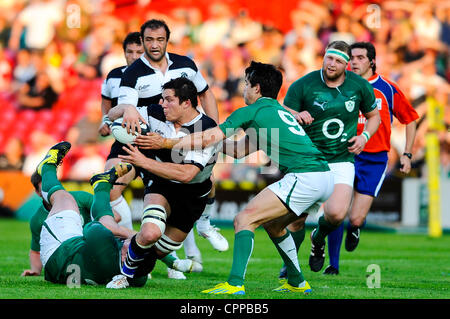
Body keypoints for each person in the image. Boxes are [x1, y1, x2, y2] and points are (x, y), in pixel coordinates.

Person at [139, 62, 334, 295]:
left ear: (257, 88)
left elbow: (209, 137)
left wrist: (167, 143)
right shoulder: (277, 112)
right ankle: (297, 281)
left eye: (246, 84)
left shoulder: (251, 111)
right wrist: (210, 147)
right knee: (274, 226)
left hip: (305, 176)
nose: (243, 90)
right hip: (324, 177)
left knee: (244, 219)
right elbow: (238, 150)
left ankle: (235, 284)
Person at [110, 20, 228, 258]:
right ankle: (132, 239)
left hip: (188, 133)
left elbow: (206, 94)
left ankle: (203, 225)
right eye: (149, 40)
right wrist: (127, 109)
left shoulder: (186, 64)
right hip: (146, 137)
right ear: (142, 40)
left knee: (205, 178)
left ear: (167, 40)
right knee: (116, 186)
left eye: (160, 39)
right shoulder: (132, 74)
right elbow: (116, 112)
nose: (154, 45)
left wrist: (213, 130)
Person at [280, 40, 381, 275]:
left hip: (341, 159)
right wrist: (296, 113)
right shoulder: (303, 84)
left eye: (338, 61)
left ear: (347, 65)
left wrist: (364, 136)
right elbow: (284, 112)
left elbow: (373, 116)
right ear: (323, 57)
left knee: (335, 214)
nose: (331, 64)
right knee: (296, 219)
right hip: (308, 159)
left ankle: (318, 239)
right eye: (329, 58)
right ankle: (290, 264)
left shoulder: (359, 86)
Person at [105, 77, 216, 289]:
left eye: (168, 100)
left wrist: (144, 162)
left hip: (192, 195)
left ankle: (128, 245)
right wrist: (128, 108)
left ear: (186, 103)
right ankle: (123, 276)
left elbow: (187, 174)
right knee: (150, 233)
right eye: (162, 99)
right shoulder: (155, 112)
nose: (162, 104)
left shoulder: (207, 128)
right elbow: (111, 115)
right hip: (161, 184)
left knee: (156, 252)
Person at [323, 42, 419, 275]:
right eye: (351, 58)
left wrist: (406, 154)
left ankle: (356, 228)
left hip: (374, 159)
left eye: (359, 58)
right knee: (337, 212)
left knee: (355, 218)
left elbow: (410, 119)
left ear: (372, 62)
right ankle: (333, 265)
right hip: (344, 156)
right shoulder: (340, 86)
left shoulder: (387, 88)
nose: (354, 62)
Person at [20, 141, 146, 286]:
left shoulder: (103, 246)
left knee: (65, 198)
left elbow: (95, 227)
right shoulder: (138, 277)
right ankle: (102, 186)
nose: (132, 243)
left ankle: (47, 168)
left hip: (58, 254)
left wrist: (126, 233)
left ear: (126, 257)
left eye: (133, 246)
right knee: (108, 222)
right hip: (70, 266)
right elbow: (146, 249)